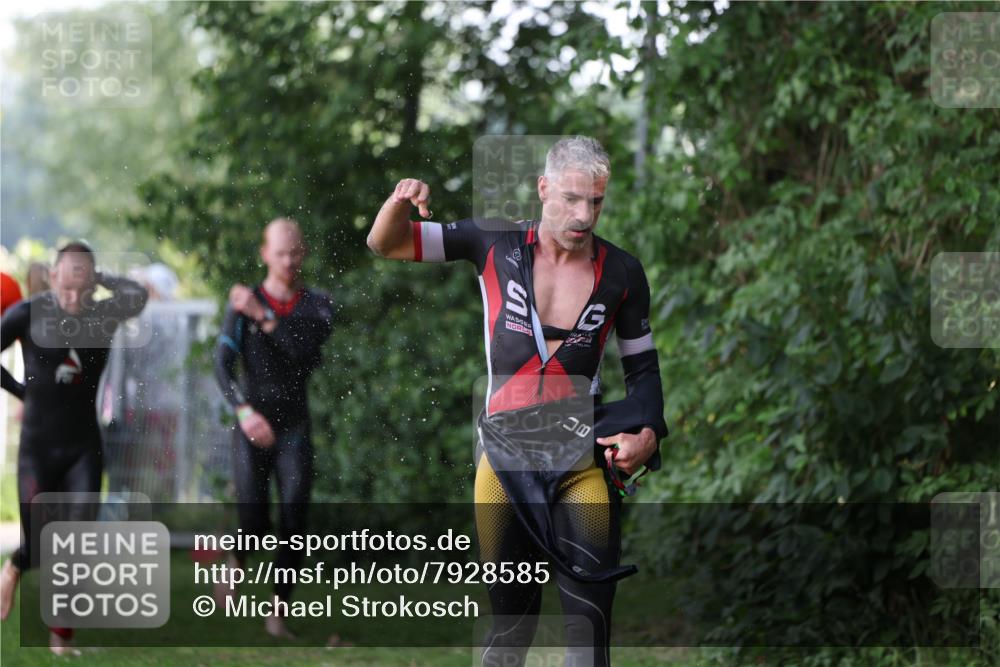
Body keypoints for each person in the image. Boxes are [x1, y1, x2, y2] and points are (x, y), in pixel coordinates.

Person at [366, 136, 668, 667]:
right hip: (503, 464)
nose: (584, 215)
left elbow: (643, 374)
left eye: (596, 201)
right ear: (543, 188)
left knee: (589, 633)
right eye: (571, 199)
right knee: (509, 632)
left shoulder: (622, 272)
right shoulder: (493, 240)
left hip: (579, 461)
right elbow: (386, 244)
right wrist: (398, 201)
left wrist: (647, 434)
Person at [0, 242, 148, 655]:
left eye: (81, 291)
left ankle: (61, 641)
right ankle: (15, 566)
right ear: (52, 278)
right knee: (40, 545)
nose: (72, 299)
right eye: (65, 288)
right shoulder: (28, 313)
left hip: (83, 448)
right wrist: (22, 392)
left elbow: (137, 295)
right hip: (38, 449)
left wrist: (100, 278)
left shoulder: (103, 315)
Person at [213, 218, 335, 639]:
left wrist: (262, 315)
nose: (288, 261)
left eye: (294, 252)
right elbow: (221, 366)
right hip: (252, 423)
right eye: (280, 253)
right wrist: (244, 412)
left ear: (304, 253)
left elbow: (302, 354)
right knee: (254, 522)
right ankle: (237, 557)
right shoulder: (242, 303)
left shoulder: (317, 304)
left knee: (294, 519)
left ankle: (277, 613)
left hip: (293, 426)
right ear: (265, 253)